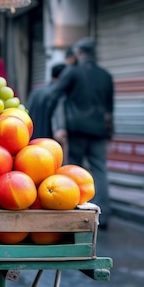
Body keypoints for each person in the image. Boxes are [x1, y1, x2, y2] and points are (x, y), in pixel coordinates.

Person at [50, 37, 114, 229]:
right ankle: (104, 215)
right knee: (100, 169)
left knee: (73, 169)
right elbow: (110, 108)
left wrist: (56, 124)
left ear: (79, 53)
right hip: (99, 130)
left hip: (77, 128)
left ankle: (72, 209)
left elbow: (55, 94)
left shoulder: (73, 72)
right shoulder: (105, 75)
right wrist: (109, 132)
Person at [26, 63, 67, 139]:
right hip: (48, 139)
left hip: (31, 136)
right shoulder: (59, 93)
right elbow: (57, 115)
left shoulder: (36, 91)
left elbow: (27, 110)